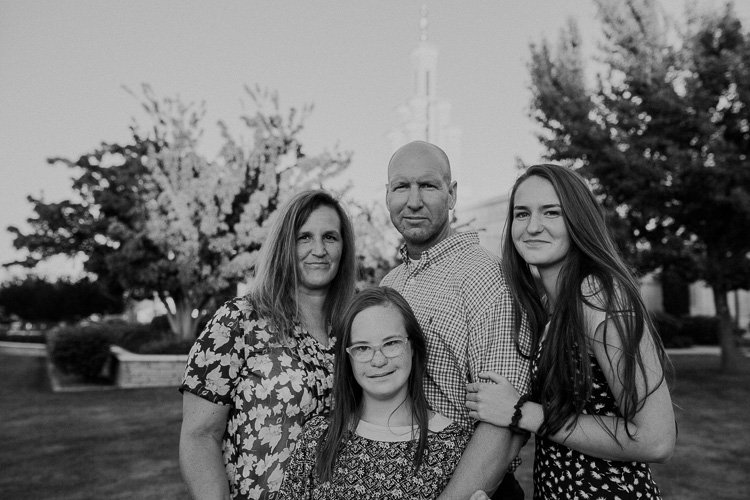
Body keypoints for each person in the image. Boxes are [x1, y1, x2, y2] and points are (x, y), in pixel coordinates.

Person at [466, 164, 676, 499]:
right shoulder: (554, 304)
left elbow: (657, 438)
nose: (533, 227)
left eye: (551, 212)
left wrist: (522, 411)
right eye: (522, 214)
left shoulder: (597, 295)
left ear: (578, 219)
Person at [178, 189, 356, 500]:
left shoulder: (352, 331)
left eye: (330, 237)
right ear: (285, 245)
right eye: (304, 237)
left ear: (344, 247)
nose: (318, 249)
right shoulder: (240, 320)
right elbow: (200, 435)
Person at [380, 140, 532, 500]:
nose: (413, 201)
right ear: (387, 195)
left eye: (428, 185)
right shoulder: (391, 283)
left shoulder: (485, 278)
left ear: (452, 195)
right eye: (402, 186)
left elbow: (506, 425)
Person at [278, 286, 471, 499]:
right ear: (348, 357)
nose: (378, 360)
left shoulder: (453, 445)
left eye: (391, 343)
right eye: (362, 348)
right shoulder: (318, 437)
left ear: (413, 347)